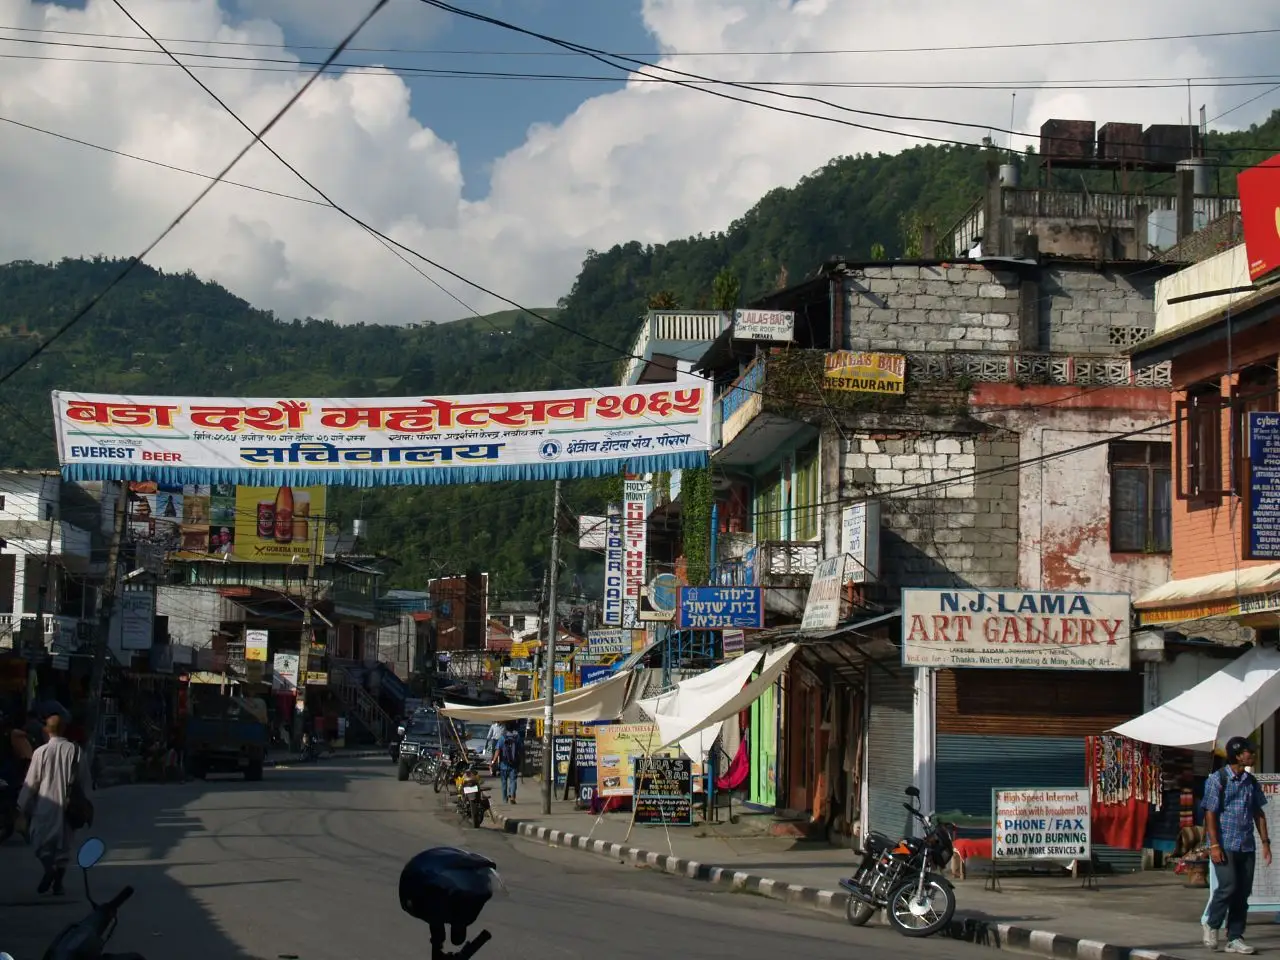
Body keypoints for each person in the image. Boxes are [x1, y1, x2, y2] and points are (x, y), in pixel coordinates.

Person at [1202, 736, 1270, 955]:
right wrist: (1214, 846)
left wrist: (1265, 843)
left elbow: (1258, 812)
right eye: (1249, 751)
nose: (1253, 754)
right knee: (1228, 886)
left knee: (1242, 892)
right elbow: (1210, 813)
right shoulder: (1217, 779)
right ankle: (1212, 924)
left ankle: (1235, 937)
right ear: (1238, 755)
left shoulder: (1251, 781)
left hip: (1246, 844)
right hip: (1224, 843)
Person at [18, 713, 85, 895]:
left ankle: (50, 871)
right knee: (64, 846)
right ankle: (58, 882)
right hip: (69, 807)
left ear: (47, 730)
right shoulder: (76, 751)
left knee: (40, 842)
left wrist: (21, 806)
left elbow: (31, 783)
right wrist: (86, 806)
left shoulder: (41, 752)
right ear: (63, 729)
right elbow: (84, 781)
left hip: (45, 806)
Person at [497, 722, 521, 804]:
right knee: (513, 781)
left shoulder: (502, 738)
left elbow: (497, 750)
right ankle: (512, 797)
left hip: (503, 764)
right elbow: (521, 750)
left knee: (504, 782)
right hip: (513, 764)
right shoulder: (517, 737)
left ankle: (504, 799)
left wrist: (493, 761)